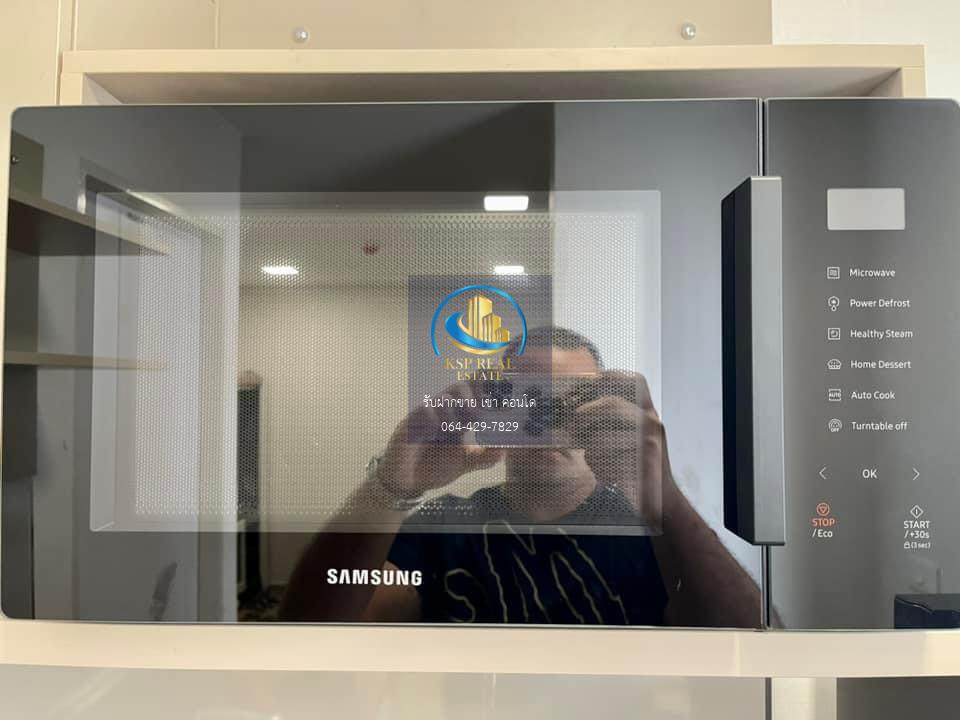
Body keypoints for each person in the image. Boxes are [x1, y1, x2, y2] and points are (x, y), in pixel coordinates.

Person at [281, 327, 761, 626]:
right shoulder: (445, 526)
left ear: (607, 406)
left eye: (571, 401)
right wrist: (390, 484)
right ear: (493, 409)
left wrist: (663, 495)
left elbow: (751, 648)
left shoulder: (645, 530)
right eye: (527, 399)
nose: (547, 420)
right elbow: (312, 627)